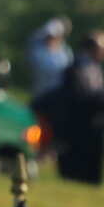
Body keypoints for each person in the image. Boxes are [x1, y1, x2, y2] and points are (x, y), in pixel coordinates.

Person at [57, 30, 104, 185]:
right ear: (91, 48)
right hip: (77, 133)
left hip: (95, 131)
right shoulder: (74, 70)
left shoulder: (97, 68)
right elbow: (76, 98)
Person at [28, 18, 74, 161]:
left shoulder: (65, 52)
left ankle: (48, 150)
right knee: (39, 123)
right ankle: (37, 149)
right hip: (41, 93)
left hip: (58, 96)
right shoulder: (39, 51)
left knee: (53, 125)